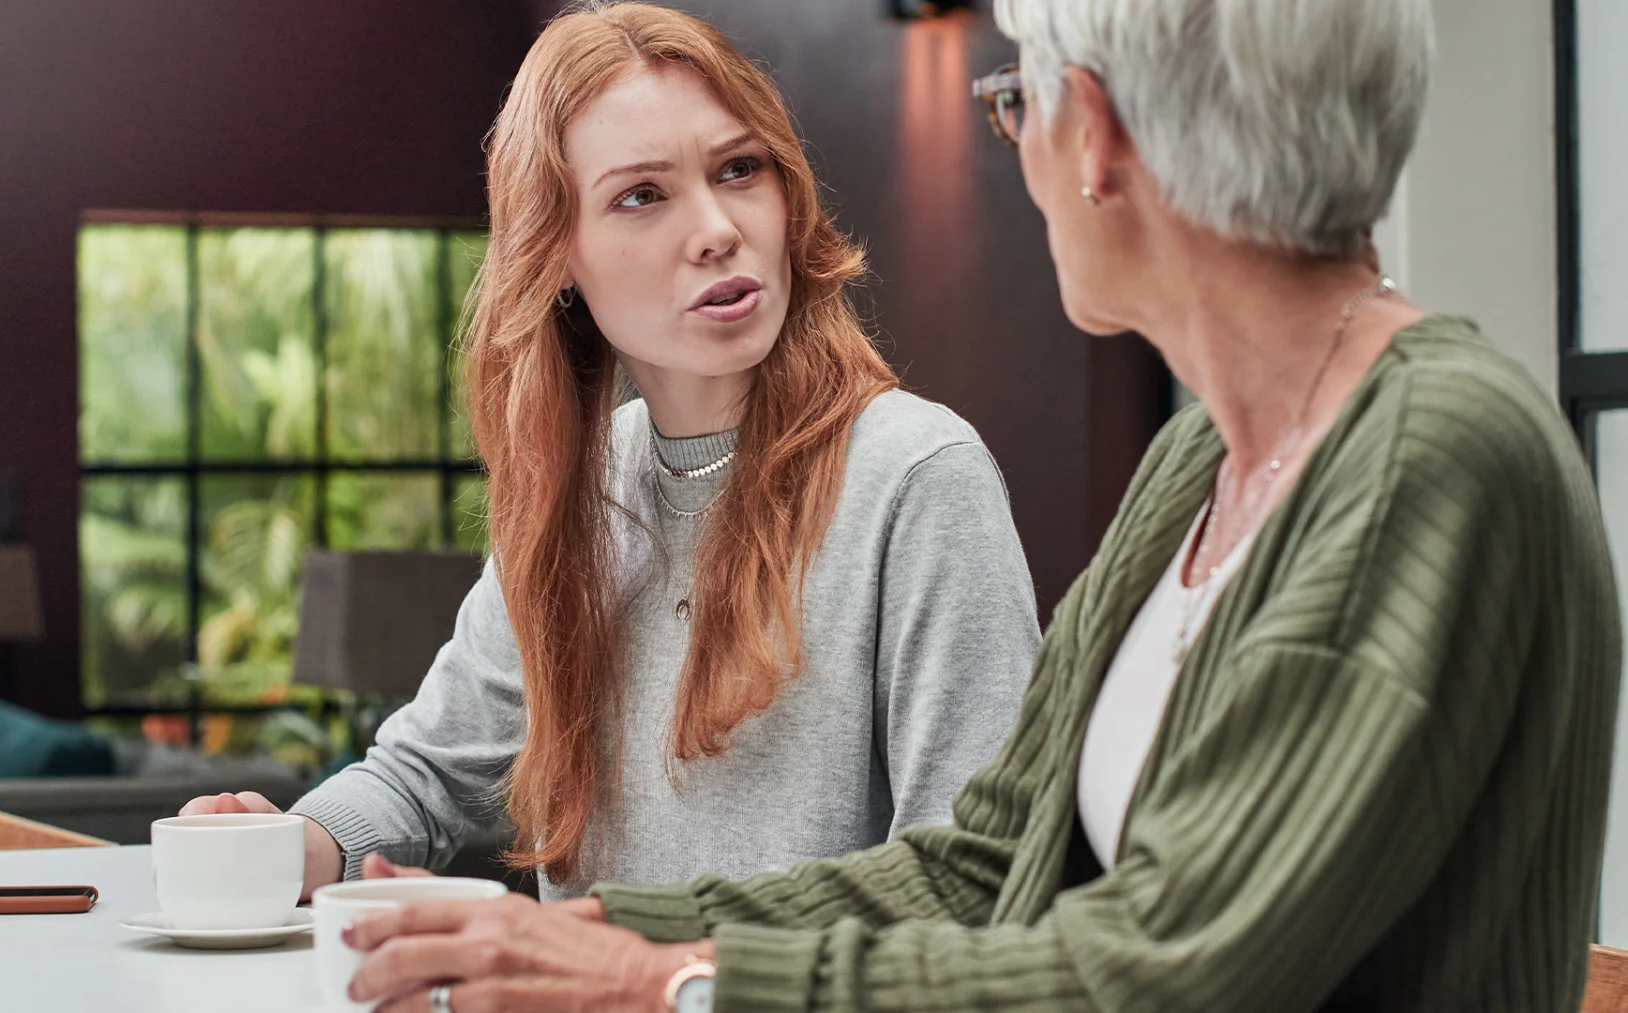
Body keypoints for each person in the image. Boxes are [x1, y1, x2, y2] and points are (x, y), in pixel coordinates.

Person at [333, 0, 1623, 1011]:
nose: (1022, 150)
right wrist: (600, 936)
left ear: (1100, 138)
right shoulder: (1203, 467)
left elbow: (1174, 973)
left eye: (1019, 106)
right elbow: (990, 859)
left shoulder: (1433, 458)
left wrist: (666, 983)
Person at [180, 1, 1041, 905]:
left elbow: (974, 883)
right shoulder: (587, 485)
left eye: (739, 169)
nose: (716, 228)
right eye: (642, 194)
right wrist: (285, 841)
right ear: (555, 253)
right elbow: (425, 774)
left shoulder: (916, 474)